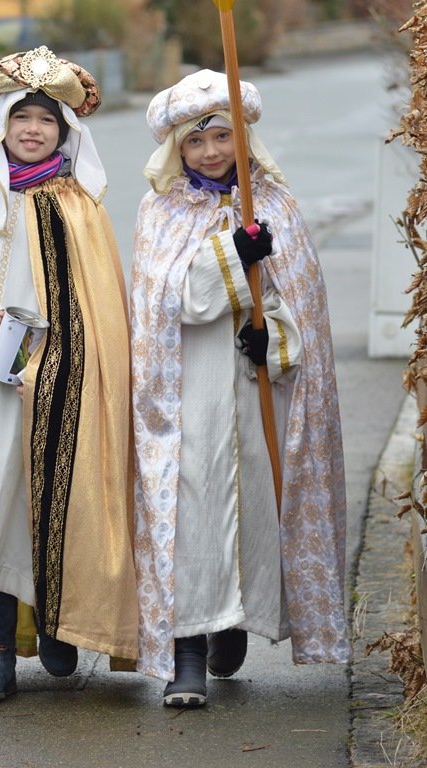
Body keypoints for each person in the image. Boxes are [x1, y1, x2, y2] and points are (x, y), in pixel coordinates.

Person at [0, 47, 139, 703]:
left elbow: (100, 304)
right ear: (2, 124)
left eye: (46, 120)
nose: (33, 129)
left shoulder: (78, 206)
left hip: (67, 383)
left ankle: (63, 622)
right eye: (22, 118)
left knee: (62, 498)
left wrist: (76, 360)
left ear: (64, 133)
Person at [129, 70, 349, 708]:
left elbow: (298, 302)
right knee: (192, 509)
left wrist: (273, 338)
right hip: (189, 389)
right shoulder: (161, 209)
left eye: (222, 137)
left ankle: (231, 624)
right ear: (178, 150)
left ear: (243, 139)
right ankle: (187, 654)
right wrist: (232, 256)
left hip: (256, 392)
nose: (211, 153)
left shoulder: (276, 204)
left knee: (251, 504)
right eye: (196, 143)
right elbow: (168, 299)